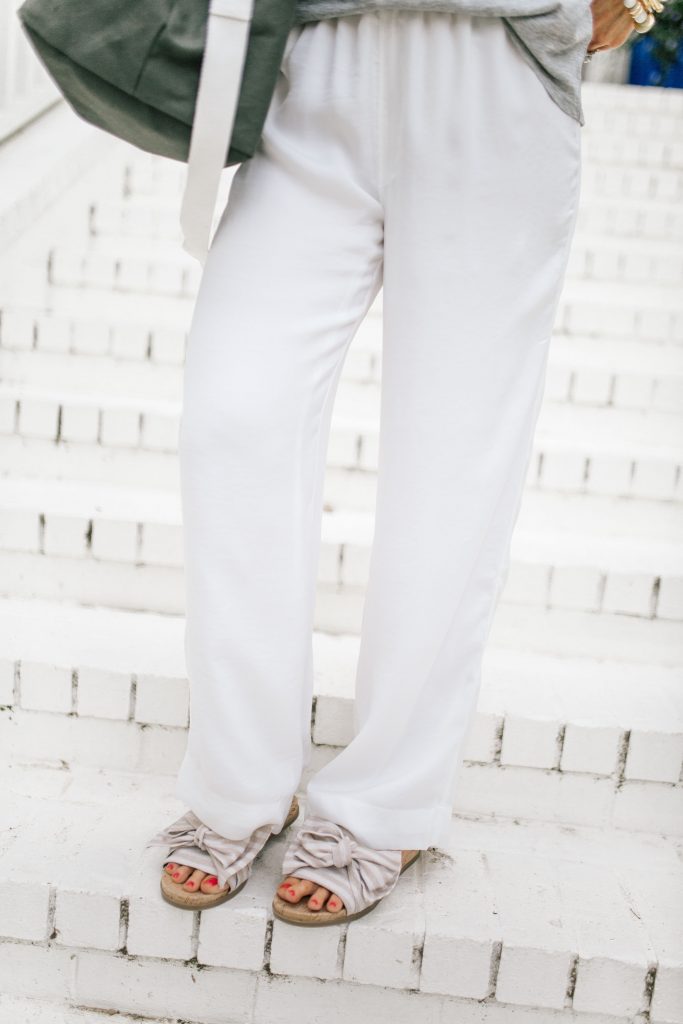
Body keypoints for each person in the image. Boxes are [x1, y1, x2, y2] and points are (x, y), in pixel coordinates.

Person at [146, 0, 651, 925]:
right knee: (235, 415)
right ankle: (237, 782)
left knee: (453, 461)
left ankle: (384, 805)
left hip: (492, 64)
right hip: (311, 56)